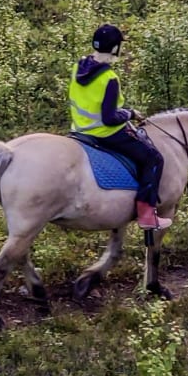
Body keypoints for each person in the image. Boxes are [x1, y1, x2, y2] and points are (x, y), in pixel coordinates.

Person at [68, 24, 164, 228]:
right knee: (154, 158)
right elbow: (109, 118)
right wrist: (130, 113)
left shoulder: (79, 66)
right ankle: (147, 215)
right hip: (104, 133)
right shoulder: (109, 78)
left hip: (78, 130)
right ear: (114, 49)